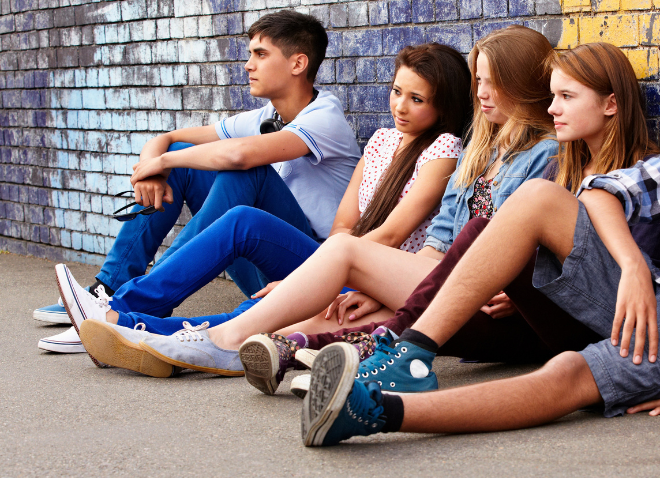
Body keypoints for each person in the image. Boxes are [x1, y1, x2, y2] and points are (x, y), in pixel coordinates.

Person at [298, 0, 660, 447]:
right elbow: (601, 192)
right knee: (540, 198)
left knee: (569, 372)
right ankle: (409, 354)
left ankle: (377, 413)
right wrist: (634, 268)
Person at [132, 25, 561, 387]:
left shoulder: (545, 154)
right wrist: (381, 287)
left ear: (522, 82)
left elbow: (542, 250)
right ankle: (192, 344)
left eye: (492, 82)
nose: (482, 94)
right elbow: (439, 242)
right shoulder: (477, 152)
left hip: (490, 304)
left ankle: (199, 334)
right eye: (478, 82)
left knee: (337, 254)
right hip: (442, 282)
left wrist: (368, 278)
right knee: (310, 321)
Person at [288, 41, 660, 393]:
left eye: (567, 97)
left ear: (610, 104)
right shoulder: (564, 168)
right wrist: (519, 289)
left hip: (597, 330)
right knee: (457, 306)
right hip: (537, 328)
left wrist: (525, 283)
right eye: (553, 96)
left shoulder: (647, 175)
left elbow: (628, 280)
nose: (552, 108)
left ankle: (381, 350)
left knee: (482, 228)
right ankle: (313, 349)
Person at [55, 43, 471, 379]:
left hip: (375, 274)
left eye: (417, 99)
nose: (400, 106)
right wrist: (313, 275)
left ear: (442, 107)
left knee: (252, 258)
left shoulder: (443, 150)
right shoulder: (381, 140)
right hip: (337, 258)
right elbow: (346, 224)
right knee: (239, 216)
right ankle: (124, 310)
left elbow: (392, 236)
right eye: (397, 92)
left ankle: (133, 325)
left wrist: (309, 277)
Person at [37, 10, 360, 354]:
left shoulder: (325, 118)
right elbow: (171, 138)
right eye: (250, 54)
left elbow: (238, 157)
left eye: (261, 55)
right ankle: (108, 290)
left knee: (245, 171)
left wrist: (163, 160)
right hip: (266, 266)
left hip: (312, 268)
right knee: (183, 158)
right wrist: (156, 164)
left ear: (298, 64)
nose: (249, 65)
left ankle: (132, 306)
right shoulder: (268, 117)